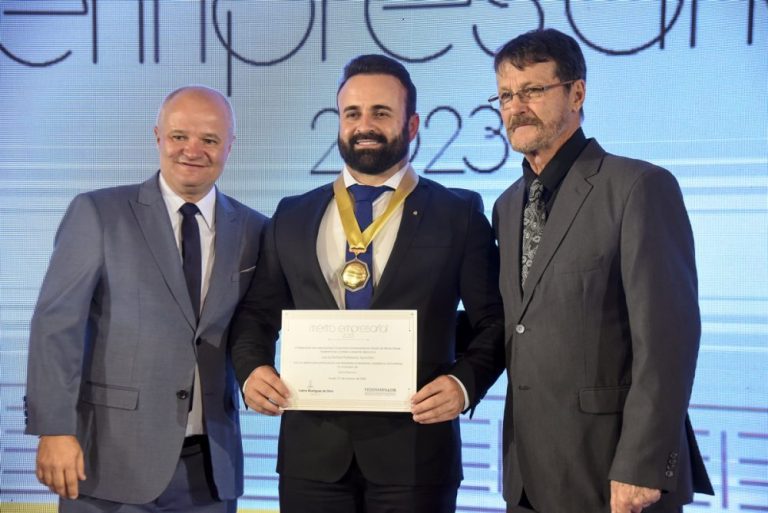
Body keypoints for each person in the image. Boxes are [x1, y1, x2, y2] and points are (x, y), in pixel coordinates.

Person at [229, 54, 504, 513]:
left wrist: (463, 384)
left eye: (381, 112)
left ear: (412, 125)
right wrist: (251, 369)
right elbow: (257, 314)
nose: (364, 126)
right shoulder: (292, 215)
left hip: (416, 457)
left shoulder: (458, 216)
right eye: (352, 113)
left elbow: (494, 322)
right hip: (311, 458)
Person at [489, 29, 714, 513]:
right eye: (506, 95)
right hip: (527, 477)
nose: (516, 107)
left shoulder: (638, 187)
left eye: (532, 90)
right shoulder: (506, 206)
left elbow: (668, 342)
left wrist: (642, 464)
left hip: (613, 473)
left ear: (577, 93)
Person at [24, 85, 266, 513]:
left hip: (211, 471)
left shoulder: (255, 229)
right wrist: (55, 429)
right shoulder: (99, 213)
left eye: (210, 139)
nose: (192, 150)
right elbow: (56, 325)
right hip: (108, 464)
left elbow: (258, 324)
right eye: (179, 136)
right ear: (157, 136)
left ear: (231, 145)